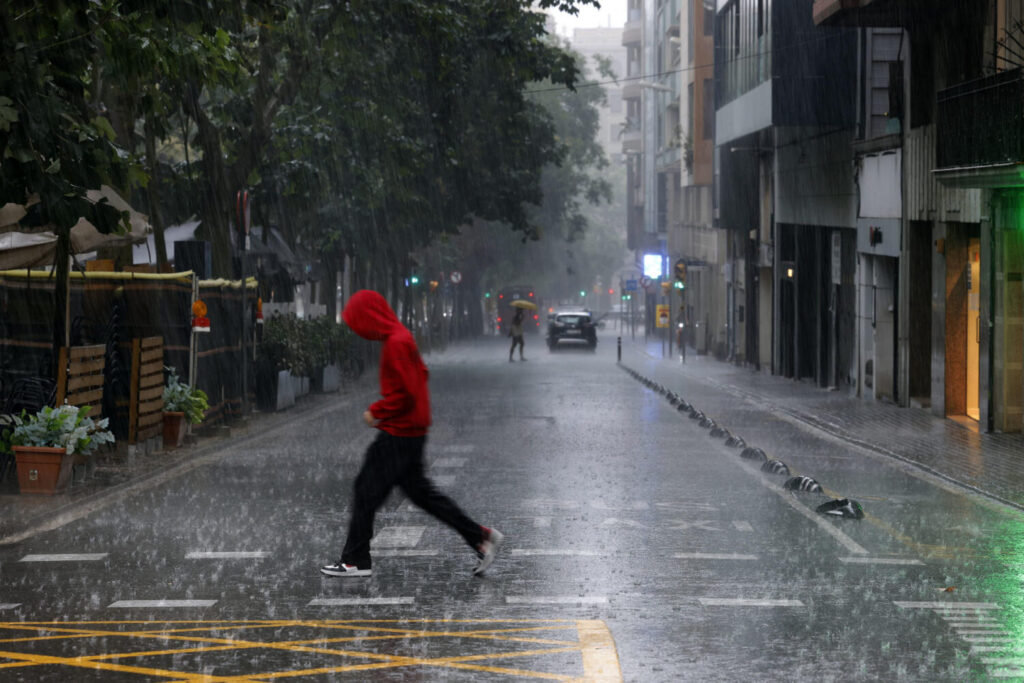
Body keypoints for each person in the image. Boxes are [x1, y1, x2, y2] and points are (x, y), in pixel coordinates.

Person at [321, 290, 503, 578]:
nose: (360, 331)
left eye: (359, 322)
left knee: (365, 491)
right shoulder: (401, 337)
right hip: (411, 432)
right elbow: (421, 376)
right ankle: (480, 537)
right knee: (424, 496)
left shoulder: (395, 343)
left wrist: (377, 410)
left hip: (398, 433)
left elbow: (405, 392)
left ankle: (355, 560)